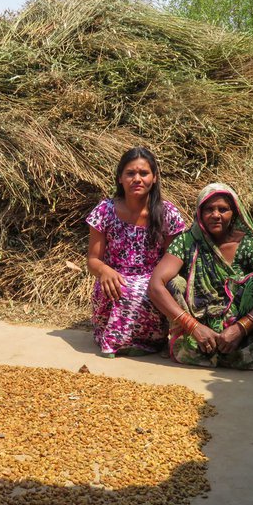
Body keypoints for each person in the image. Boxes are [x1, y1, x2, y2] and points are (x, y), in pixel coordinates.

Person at [147, 182, 253, 370]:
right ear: (199, 213)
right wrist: (193, 327)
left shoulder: (249, 244)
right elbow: (155, 285)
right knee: (173, 282)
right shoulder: (187, 241)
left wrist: (241, 327)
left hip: (240, 330)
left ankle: (240, 346)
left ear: (234, 213)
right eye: (209, 209)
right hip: (198, 330)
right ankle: (194, 345)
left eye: (223, 209)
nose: (216, 215)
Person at [86, 147, 186, 358]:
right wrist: (104, 271)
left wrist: (155, 281)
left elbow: (174, 261)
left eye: (144, 173)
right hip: (114, 276)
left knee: (138, 290)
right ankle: (115, 338)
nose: (137, 179)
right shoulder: (104, 211)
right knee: (116, 288)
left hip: (154, 277)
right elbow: (93, 260)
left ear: (155, 177)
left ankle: (151, 340)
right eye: (130, 173)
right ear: (120, 178)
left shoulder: (167, 213)